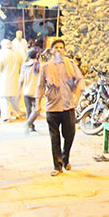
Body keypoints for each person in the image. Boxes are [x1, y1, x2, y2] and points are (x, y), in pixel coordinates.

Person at [35, 39, 84, 176]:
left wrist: (77, 94)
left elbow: (80, 79)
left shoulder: (71, 65)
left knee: (70, 134)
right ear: (51, 50)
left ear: (64, 50)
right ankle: (57, 166)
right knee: (54, 137)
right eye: (56, 47)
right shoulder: (45, 67)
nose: (58, 50)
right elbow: (40, 86)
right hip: (52, 107)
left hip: (68, 106)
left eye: (61, 47)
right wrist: (37, 103)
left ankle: (65, 157)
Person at [0, 40, 23, 121]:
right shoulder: (18, 55)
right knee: (15, 98)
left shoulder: (2, 55)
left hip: (4, 80)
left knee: (4, 99)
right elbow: (21, 68)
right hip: (15, 79)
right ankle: (17, 113)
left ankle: (6, 117)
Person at [19, 43, 43, 133]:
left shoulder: (24, 66)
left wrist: (19, 89)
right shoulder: (39, 65)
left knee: (28, 109)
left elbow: (21, 79)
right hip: (36, 90)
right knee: (36, 109)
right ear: (37, 55)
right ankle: (29, 124)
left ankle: (30, 125)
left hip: (26, 90)